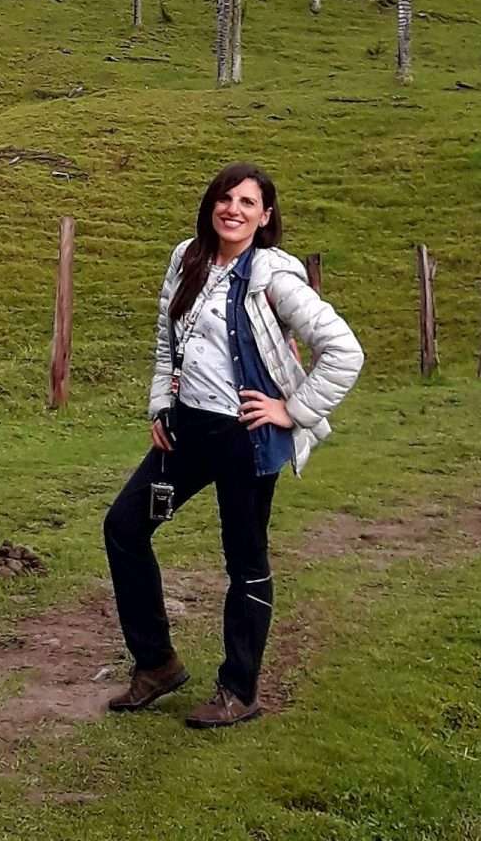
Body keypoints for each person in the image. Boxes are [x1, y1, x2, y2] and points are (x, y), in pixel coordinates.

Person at [102, 162, 363, 727]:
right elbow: (166, 340)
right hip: (187, 434)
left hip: (245, 438)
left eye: (248, 202)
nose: (233, 210)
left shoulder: (274, 277)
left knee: (244, 561)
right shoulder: (187, 258)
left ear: (265, 216)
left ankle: (239, 690)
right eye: (225, 198)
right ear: (210, 205)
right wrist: (161, 404)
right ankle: (157, 664)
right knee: (125, 526)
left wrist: (291, 411)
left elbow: (344, 350)